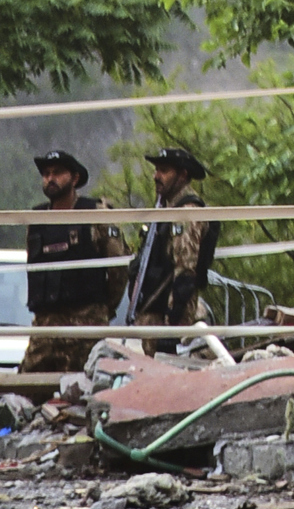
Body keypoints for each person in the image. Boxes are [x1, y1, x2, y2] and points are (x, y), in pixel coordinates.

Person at [22, 151, 129, 373]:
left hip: (85, 324)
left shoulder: (95, 214)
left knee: (84, 386)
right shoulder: (36, 219)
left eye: (57, 173)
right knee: (26, 385)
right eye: (46, 174)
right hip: (45, 327)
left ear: (75, 178)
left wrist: (103, 308)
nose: (50, 179)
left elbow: (118, 268)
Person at [128, 147, 219, 355]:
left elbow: (185, 272)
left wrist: (173, 323)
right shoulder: (164, 209)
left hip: (167, 318)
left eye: (164, 170)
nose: (156, 176)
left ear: (183, 175)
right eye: (156, 170)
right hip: (150, 314)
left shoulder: (186, 212)